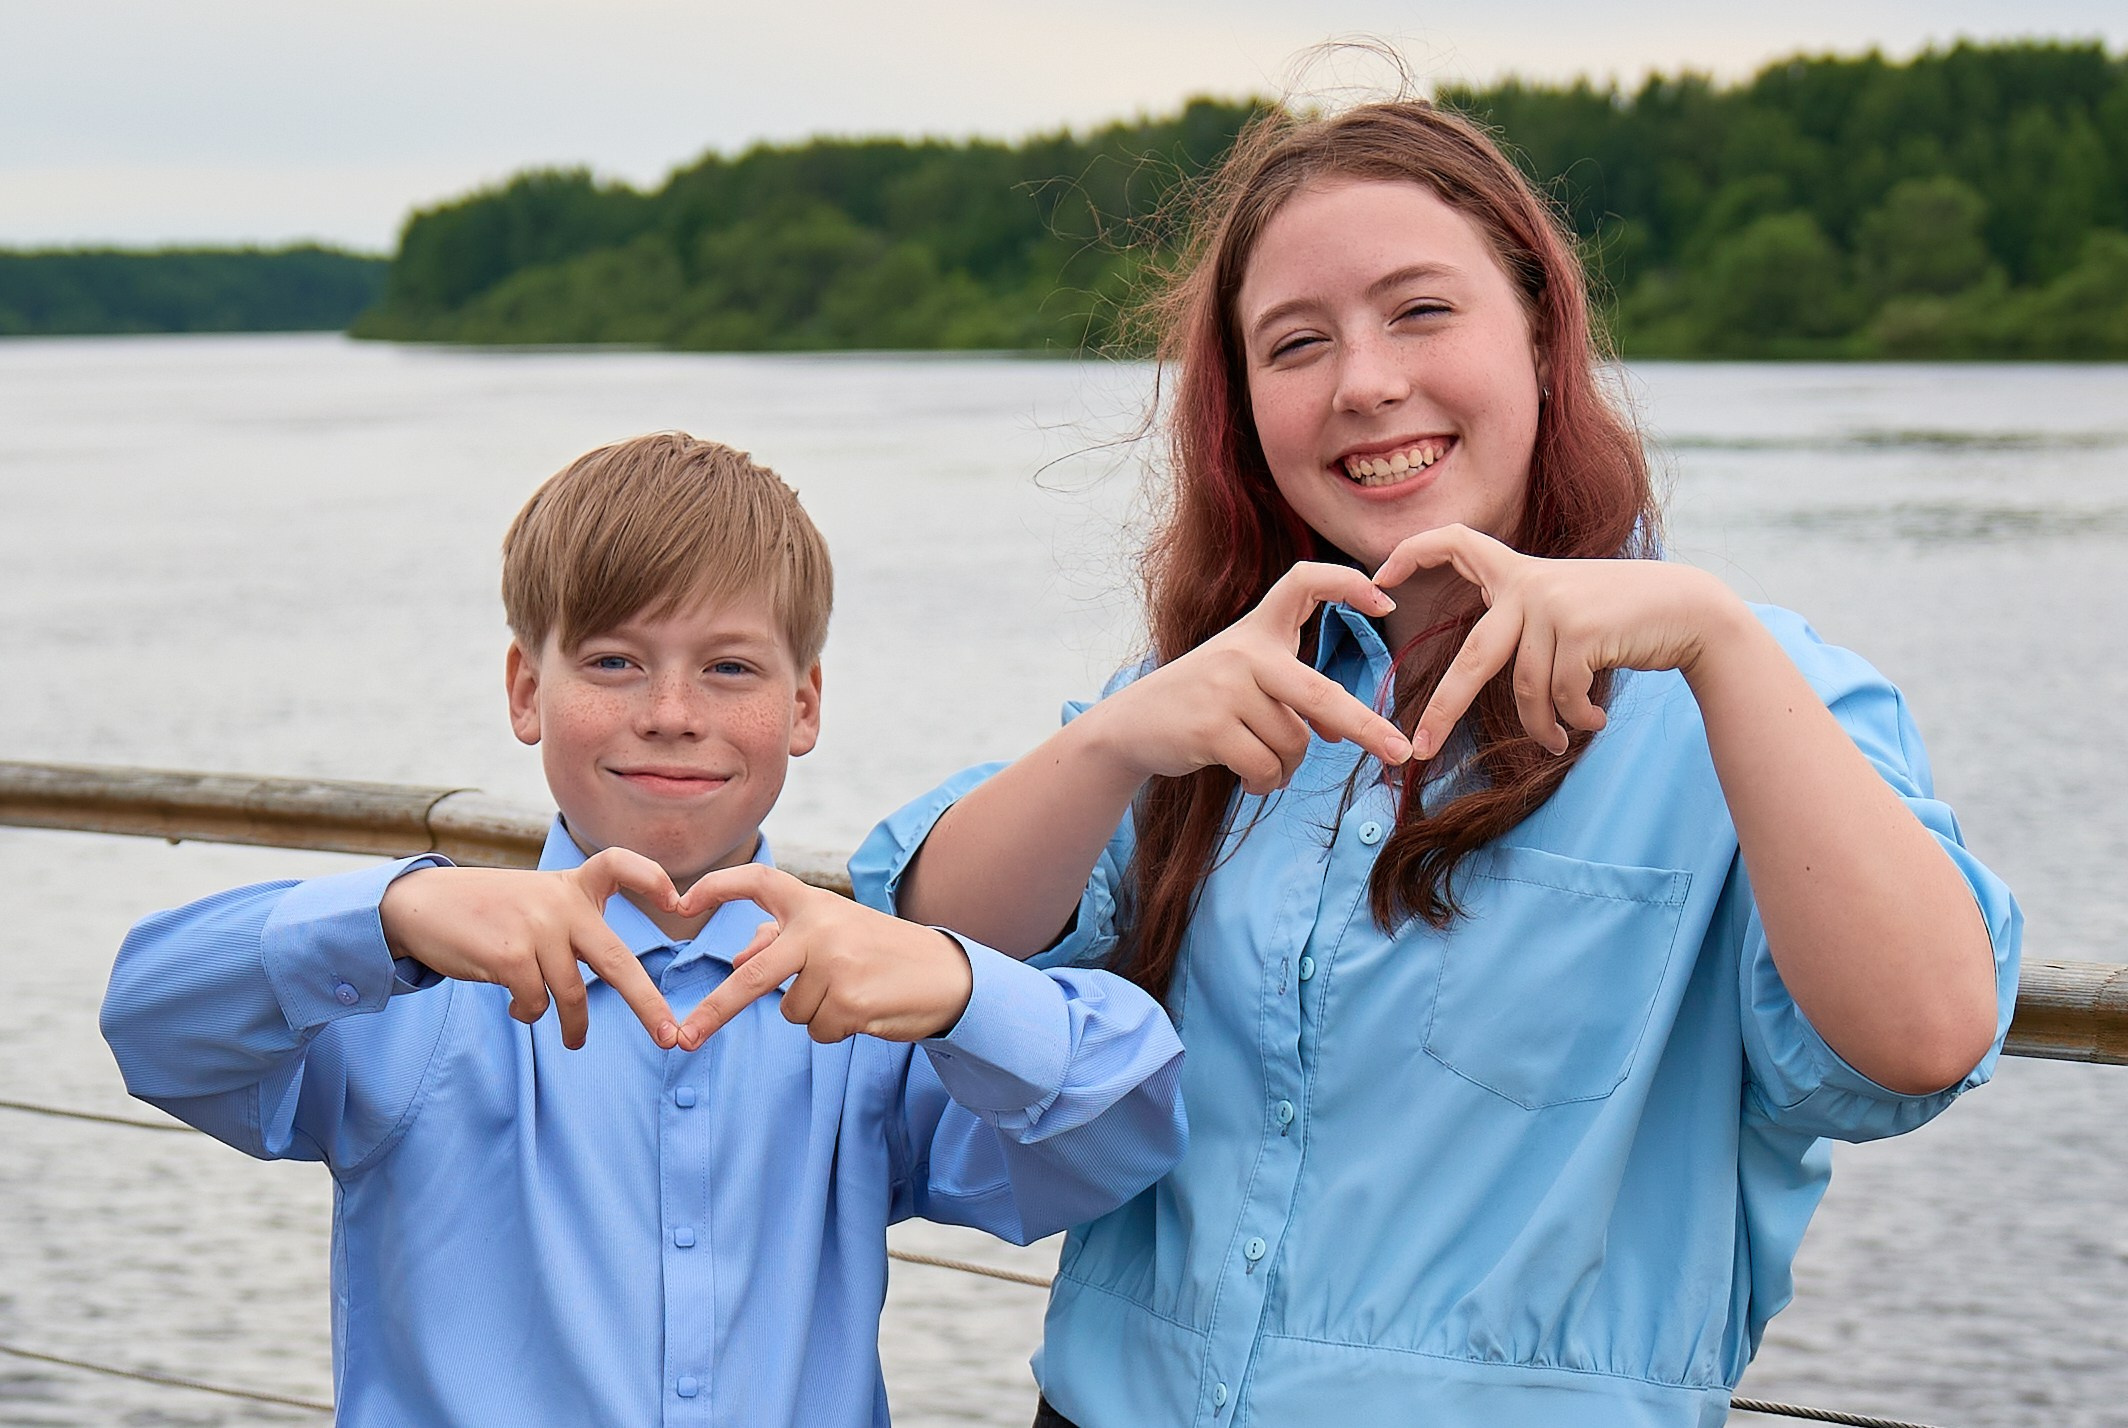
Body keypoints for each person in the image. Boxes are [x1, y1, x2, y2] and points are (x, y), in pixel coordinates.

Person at [853, 101, 2022, 1428]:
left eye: (1420, 312)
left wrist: (1714, 635)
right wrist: (1111, 741)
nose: (1362, 383)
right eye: (1296, 344)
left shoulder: (1749, 692)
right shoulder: (1218, 693)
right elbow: (936, 940)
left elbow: (1922, 1040)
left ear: (1540, 333)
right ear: (1244, 407)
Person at [100, 433, 1186, 1427]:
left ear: (804, 704)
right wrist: (393, 912)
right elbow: (154, 1027)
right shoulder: (411, 979)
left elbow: (1118, 1142)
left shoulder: (866, 1003)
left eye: (730, 668)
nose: (671, 714)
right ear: (526, 689)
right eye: (614, 662)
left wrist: (959, 986)